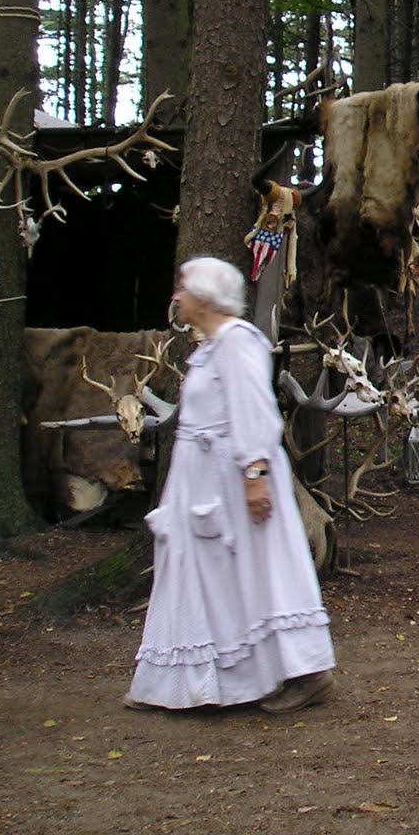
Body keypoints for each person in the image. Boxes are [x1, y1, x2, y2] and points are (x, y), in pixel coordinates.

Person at [126, 256, 336, 714]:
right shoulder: (209, 348)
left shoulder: (239, 343)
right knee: (205, 577)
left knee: (263, 570)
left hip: (236, 478)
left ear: (204, 296)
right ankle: (193, 681)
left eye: (182, 289)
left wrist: (255, 474)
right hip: (201, 481)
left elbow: (255, 411)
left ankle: (306, 673)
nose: (176, 298)